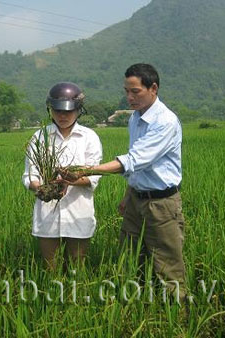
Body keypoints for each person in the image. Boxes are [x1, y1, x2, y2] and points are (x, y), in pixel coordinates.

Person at [89, 64, 186, 301]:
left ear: (153, 88)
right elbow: (138, 166)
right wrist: (127, 194)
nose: (129, 97)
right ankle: (137, 306)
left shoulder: (165, 121)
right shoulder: (135, 118)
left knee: (167, 264)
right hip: (136, 198)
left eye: (135, 92)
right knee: (131, 256)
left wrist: (87, 170)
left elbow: (134, 159)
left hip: (161, 203)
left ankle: (178, 318)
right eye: (126, 91)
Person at [22, 82, 102, 269]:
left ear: (79, 110)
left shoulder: (89, 137)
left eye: (68, 111)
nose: (63, 116)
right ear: (50, 110)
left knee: (77, 268)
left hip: (78, 214)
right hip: (47, 214)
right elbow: (30, 175)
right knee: (51, 269)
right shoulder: (39, 137)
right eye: (58, 111)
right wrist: (40, 187)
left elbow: (93, 177)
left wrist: (69, 180)